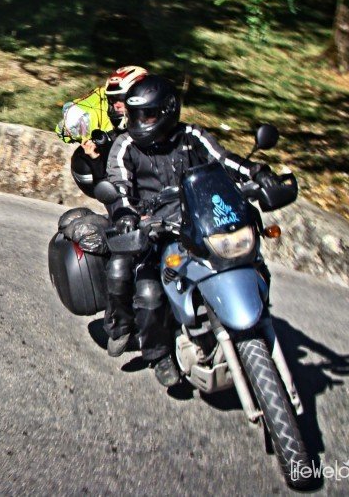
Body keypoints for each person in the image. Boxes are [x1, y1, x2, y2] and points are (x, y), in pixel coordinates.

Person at [103, 74, 281, 385]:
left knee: (248, 259)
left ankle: (249, 316)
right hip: (156, 231)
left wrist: (256, 170)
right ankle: (158, 354)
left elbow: (223, 161)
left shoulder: (192, 136)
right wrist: (127, 216)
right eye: (134, 114)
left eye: (147, 114)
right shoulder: (125, 146)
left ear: (168, 111)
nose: (139, 121)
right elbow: (119, 189)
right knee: (149, 293)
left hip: (200, 222)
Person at [55, 66, 148, 253]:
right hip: (137, 220)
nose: (116, 106)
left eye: (120, 100)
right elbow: (111, 186)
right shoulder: (119, 143)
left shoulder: (180, 134)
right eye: (112, 100)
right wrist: (95, 158)